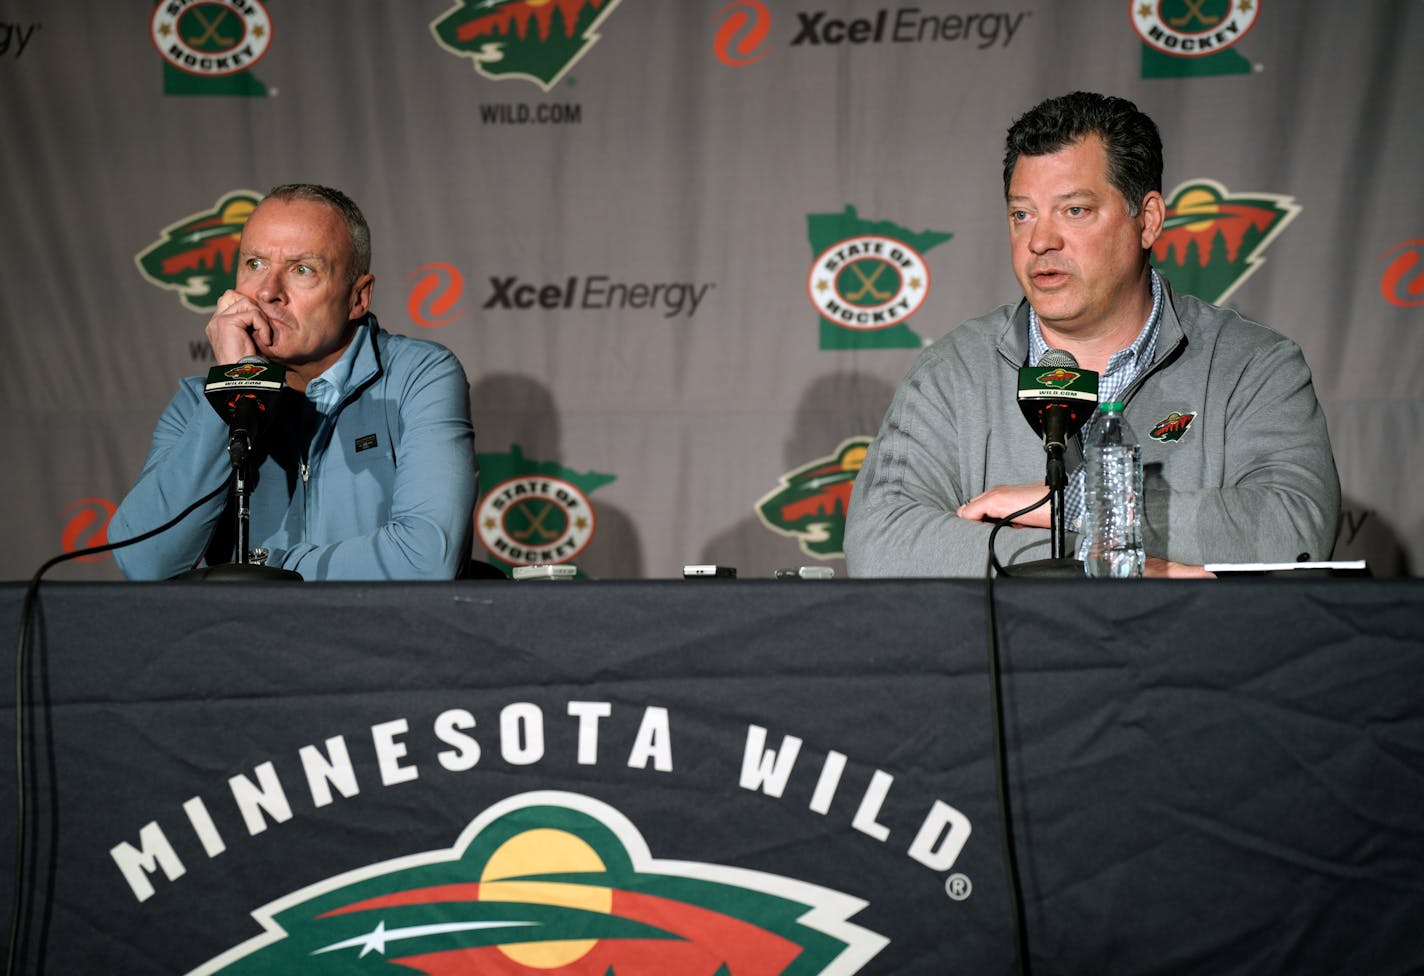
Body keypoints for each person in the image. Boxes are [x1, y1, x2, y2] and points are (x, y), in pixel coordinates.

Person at [844, 92, 1339, 577]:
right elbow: (880, 542)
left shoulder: (1252, 365)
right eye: (1022, 214)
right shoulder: (952, 372)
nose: (1040, 241)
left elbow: (1295, 526)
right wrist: (1118, 566)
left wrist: (1072, 507)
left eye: (1074, 211)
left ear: (1147, 220)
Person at [111, 184, 478, 580]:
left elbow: (426, 558)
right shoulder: (196, 404)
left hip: (380, 638)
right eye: (254, 264)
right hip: (245, 641)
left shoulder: (416, 377)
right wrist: (235, 389)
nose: (268, 292)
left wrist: (268, 572)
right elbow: (143, 562)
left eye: (302, 269)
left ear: (358, 297)